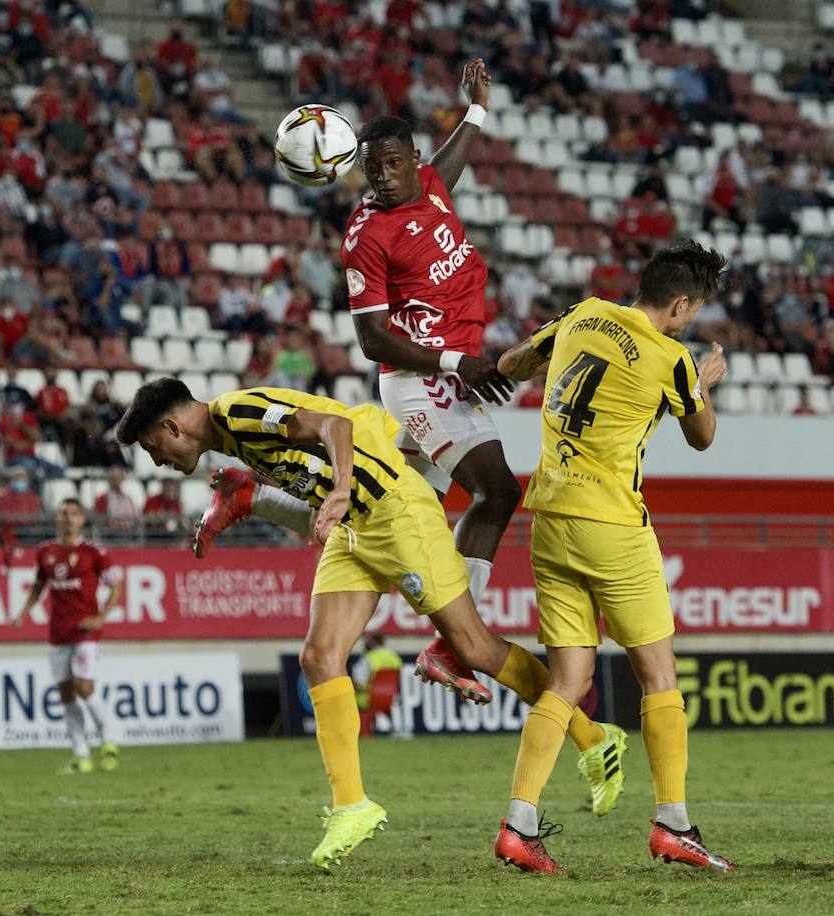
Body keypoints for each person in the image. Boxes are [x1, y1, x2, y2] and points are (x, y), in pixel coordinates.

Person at [115, 379, 622, 870]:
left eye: (151, 446)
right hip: (355, 528)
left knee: (472, 648)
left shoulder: (235, 412)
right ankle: (351, 806)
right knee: (319, 657)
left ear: (170, 427)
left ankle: (593, 737)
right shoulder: (230, 435)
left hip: (394, 514)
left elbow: (333, 425)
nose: (156, 459)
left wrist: (337, 491)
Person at [195, 61, 530, 711]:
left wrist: (478, 110)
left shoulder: (429, 183)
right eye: (372, 167)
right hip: (420, 384)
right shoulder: (366, 236)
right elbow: (373, 342)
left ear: (410, 159)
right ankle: (454, 642)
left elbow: (448, 164)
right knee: (497, 490)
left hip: (446, 374)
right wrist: (461, 367)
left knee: (387, 510)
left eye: (393, 163)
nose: (381, 176)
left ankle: (254, 496)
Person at [489, 240, 734, 874]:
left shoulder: (583, 313)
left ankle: (519, 824)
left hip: (549, 518)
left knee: (568, 682)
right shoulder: (672, 356)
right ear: (680, 304)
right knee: (658, 675)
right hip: (613, 527)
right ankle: (673, 824)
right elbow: (704, 438)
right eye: (693, 307)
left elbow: (512, 362)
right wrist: (702, 386)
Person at [9, 499, 123, 775]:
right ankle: (81, 755)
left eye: (74, 514)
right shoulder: (46, 552)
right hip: (58, 633)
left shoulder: (94, 552)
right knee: (67, 694)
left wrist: (101, 617)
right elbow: (39, 585)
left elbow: (116, 586)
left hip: (86, 631)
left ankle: (109, 741)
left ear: (82, 520)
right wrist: (23, 612)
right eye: (64, 513)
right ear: (57, 519)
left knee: (84, 687)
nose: (68, 518)